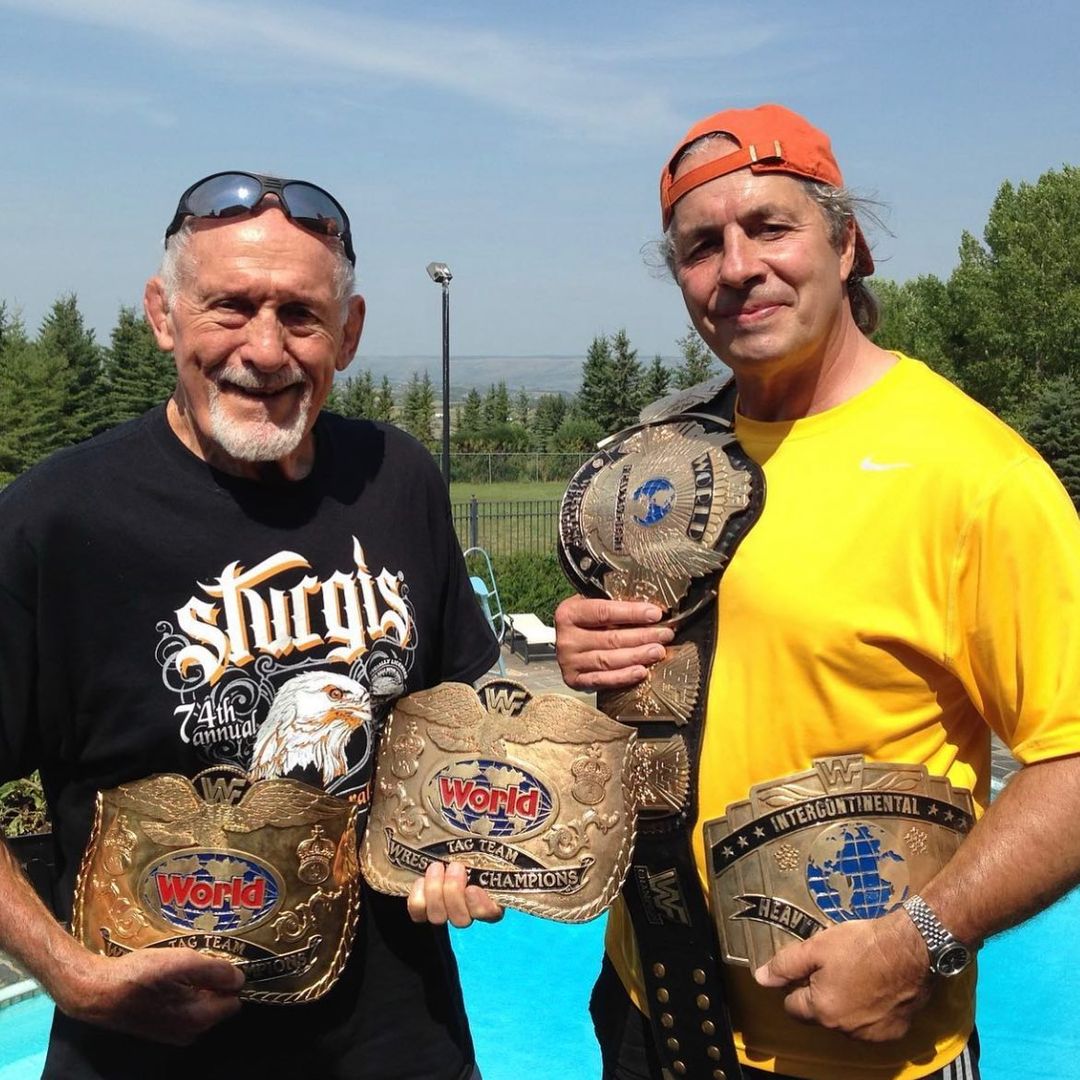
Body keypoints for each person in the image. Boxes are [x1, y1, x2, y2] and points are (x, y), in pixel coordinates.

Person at [555, 104, 1080, 1080]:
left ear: (848, 244)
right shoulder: (668, 456)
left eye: (770, 226)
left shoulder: (973, 474)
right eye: (701, 246)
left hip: (861, 1048)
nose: (737, 266)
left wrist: (918, 938)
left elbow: (1074, 764)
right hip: (647, 1011)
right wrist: (596, 656)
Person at [0, 170, 501, 1079]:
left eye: (302, 317)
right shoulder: (59, 520)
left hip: (400, 1041)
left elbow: (455, 722)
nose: (264, 350)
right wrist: (69, 976)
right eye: (229, 308)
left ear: (346, 335)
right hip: (145, 1053)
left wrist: (466, 846)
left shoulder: (397, 479)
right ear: (163, 315)